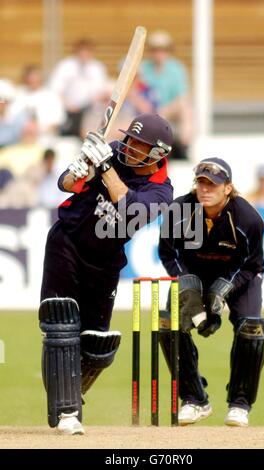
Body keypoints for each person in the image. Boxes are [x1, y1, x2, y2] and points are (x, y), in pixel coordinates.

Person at [39, 113, 173, 435]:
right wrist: (78, 168)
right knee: (61, 324)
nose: (129, 146)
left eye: (139, 145)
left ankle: (69, 393)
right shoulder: (111, 151)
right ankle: (67, 409)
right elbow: (66, 184)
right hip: (67, 242)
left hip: (104, 261)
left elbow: (130, 208)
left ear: (157, 155)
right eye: (129, 138)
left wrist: (105, 167)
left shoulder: (162, 193)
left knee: (96, 344)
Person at [158, 157, 264, 427]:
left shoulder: (248, 219)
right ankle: (194, 399)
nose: (206, 190)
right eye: (201, 183)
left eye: (213, 184)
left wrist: (224, 289)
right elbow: (168, 252)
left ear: (228, 188)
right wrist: (186, 282)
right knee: (167, 324)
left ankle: (239, 404)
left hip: (239, 278)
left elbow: (253, 264)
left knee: (251, 329)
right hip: (194, 277)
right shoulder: (178, 210)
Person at [141, 30, 192, 160]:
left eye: (163, 50)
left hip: (167, 109)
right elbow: (139, 92)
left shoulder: (176, 68)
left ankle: (184, 145)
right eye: (156, 50)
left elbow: (181, 96)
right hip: (148, 110)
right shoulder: (143, 68)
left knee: (186, 108)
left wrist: (164, 110)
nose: (159, 53)